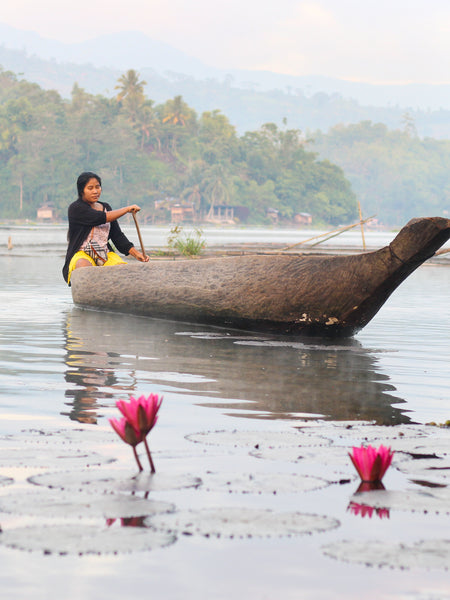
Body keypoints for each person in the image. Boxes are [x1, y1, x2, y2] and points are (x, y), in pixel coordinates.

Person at [62, 171, 149, 284]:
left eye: (98, 187)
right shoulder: (76, 208)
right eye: (90, 188)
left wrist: (136, 254)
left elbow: (117, 236)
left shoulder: (106, 207)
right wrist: (127, 209)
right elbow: (101, 218)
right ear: (82, 191)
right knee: (84, 269)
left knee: (124, 273)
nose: (95, 191)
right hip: (82, 253)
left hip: (105, 254)